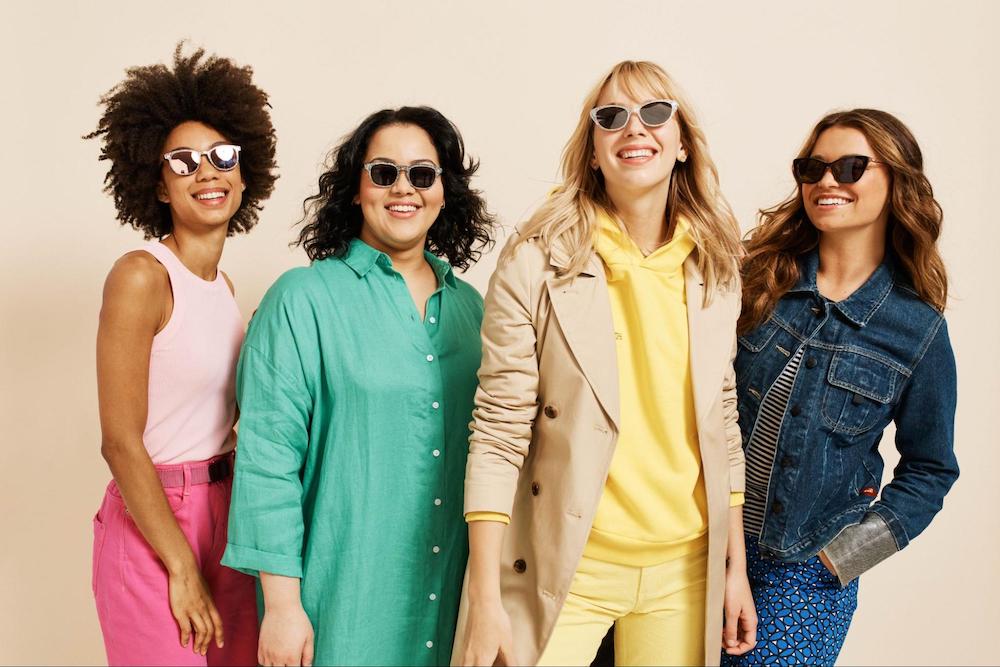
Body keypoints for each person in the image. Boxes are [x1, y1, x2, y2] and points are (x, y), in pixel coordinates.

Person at [455, 60, 756, 667]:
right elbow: (497, 429)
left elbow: (722, 420)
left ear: (681, 143)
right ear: (592, 151)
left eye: (654, 113)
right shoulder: (535, 262)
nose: (633, 129)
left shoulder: (715, 267)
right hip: (566, 557)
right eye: (611, 117)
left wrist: (735, 567)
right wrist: (485, 595)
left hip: (684, 566)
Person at [222, 106, 496, 666]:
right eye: (383, 172)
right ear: (354, 189)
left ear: (445, 192)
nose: (404, 188)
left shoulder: (475, 311)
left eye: (423, 174)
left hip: (452, 610)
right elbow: (267, 460)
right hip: (340, 610)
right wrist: (282, 607)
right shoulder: (301, 300)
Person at [723, 109, 958, 667]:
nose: (828, 181)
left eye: (851, 167)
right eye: (814, 168)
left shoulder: (917, 330)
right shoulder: (755, 280)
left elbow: (931, 469)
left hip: (802, 576)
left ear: (897, 180)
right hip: (696, 544)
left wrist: (843, 559)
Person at [88, 44, 277, 666]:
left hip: (229, 508)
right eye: (184, 162)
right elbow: (120, 440)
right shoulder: (142, 276)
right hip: (155, 517)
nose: (208, 173)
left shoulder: (223, 289)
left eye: (223, 157)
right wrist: (178, 562)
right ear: (159, 184)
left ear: (245, 175)